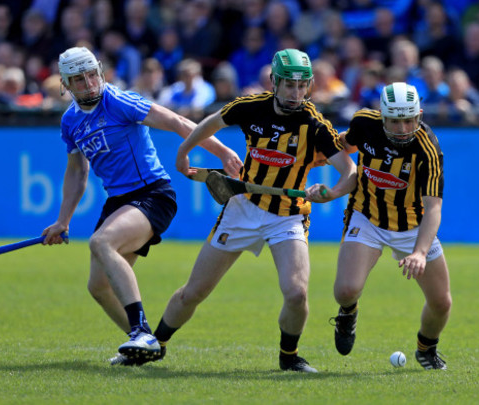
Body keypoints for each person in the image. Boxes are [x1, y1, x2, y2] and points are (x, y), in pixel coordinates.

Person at [150, 48, 358, 372]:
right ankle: (154, 344)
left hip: (288, 215)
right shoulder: (250, 107)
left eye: (302, 85)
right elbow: (211, 123)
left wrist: (330, 193)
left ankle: (289, 358)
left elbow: (350, 172)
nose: (296, 92)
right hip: (242, 207)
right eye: (289, 84)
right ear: (275, 82)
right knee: (193, 292)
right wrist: (184, 150)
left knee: (296, 293)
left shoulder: (314, 125)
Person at [41, 46, 242, 366]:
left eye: (92, 74)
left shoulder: (117, 100)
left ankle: (139, 332)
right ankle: (147, 344)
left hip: (151, 194)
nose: (89, 83)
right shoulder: (70, 122)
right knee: (98, 286)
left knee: (101, 242)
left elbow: (176, 121)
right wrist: (63, 221)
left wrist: (221, 152)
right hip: (118, 201)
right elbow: (78, 173)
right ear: (66, 84)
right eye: (79, 79)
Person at [330, 82, 452, 370]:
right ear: (382, 115)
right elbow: (341, 144)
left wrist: (420, 252)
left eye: (409, 119)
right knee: (346, 290)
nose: (402, 127)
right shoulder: (364, 122)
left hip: (413, 224)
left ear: (419, 115)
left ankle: (426, 348)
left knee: (441, 303)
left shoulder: (428, 149)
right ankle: (348, 312)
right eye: (395, 120)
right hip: (367, 215)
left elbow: (433, 207)